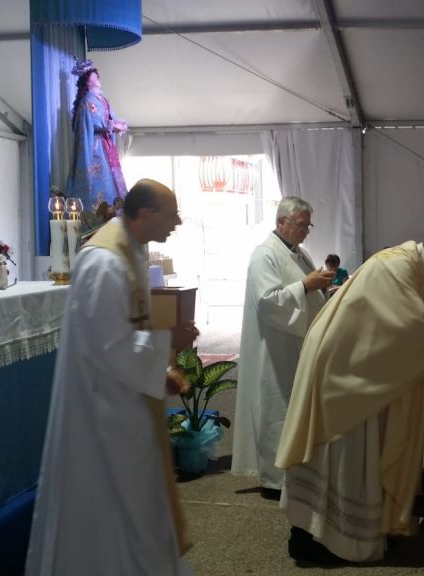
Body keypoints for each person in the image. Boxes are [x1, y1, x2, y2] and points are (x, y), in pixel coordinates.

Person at [275, 226, 424, 565]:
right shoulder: (396, 267)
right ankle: (317, 540)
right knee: (339, 458)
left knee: (349, 459)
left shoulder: (409, 269)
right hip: (343, 379)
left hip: (357, 371)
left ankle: (337, 535)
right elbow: (412, 328)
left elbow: (403, 337)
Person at [26, 179, 199, 576]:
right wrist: (165, 343)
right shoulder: (103, 261)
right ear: (145, 213)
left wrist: (162, 368)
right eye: (171, 213)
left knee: (136, 503)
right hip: (103, 411)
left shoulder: (132, 249)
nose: (177, 221)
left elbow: (127, 332)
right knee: (115, 504)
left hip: (127, 397)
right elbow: (110, 346)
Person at [231, 197, 333, 500]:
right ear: (281, 223)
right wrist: (306, 285)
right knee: (277, 408)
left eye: (308, 225)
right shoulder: (265, 254)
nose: (306, 231)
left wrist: (320, 285)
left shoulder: (298, 253)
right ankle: (274, 480)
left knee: (293, 408)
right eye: (301, 225)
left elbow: (304, 287)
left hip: (296, 341)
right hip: (274, 348)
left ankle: (293, 471)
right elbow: (268, 301)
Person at [67, 59, 129, 213]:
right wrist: (110, 126)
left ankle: (113, 209)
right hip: (96, 148)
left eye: (97, 77)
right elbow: (96, 122)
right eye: (94, 78)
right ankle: (98, 212)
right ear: (88, 82)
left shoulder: (102, 99)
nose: (98, 80)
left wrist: (118, 124)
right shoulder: (88, 101)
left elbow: (110, 117)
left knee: (111, 179)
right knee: (100, 181)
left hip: (106, 145)